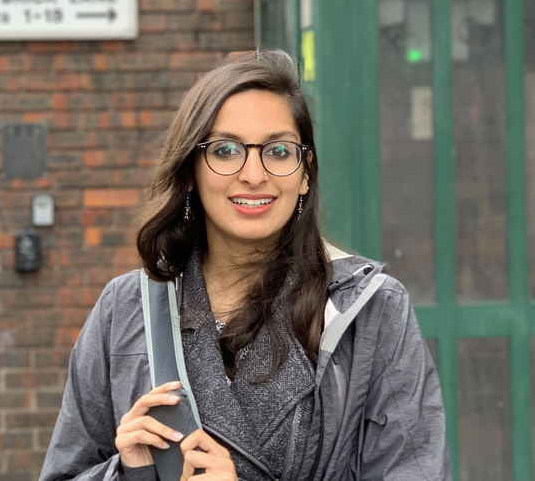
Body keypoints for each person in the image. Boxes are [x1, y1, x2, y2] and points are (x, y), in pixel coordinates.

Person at [39, 51, 451, 481]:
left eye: (278, 151)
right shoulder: (126, 309)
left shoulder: (371, 311)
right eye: (225, 150)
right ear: (191, 172)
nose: (254, 175)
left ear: (304, 173)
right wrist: (128, 474)